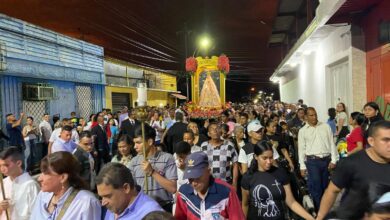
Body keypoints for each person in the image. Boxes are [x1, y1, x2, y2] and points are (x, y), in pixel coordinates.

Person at [317, 120, 390, 220]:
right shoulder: (352, 163)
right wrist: (320, 217)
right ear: (371, 141)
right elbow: (332, 191)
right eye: (385, 140)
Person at [241, 141, 314, 220]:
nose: (268, 162)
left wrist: (310, 217)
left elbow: (291, 202)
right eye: (264, 158)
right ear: (256, 156)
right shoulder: (248, 177)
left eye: (271, 157)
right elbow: (245, 204)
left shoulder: (280, 173)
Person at [30, 151, 101, 219]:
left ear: (63, 177)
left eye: (46, 173)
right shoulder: (42, 195)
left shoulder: (86, 202)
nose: (39, 178)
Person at [175, 151, 245, 220]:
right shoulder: (183, 192)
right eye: (190, 178)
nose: (194, 183)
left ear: (208, 171)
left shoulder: (227, 191)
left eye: (197, 177)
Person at [129, 124, 177, 212]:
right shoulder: (134, 162)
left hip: (163, 209)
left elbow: (173, 188)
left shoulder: (167, 158)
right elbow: (131, 189)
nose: (135, 146)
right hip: (142, 209)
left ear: (150, 142)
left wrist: (152, 172)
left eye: (138, 143)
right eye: (134, 143)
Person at [298, 107, 338, 211]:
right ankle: (320, 212)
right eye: (311, 115)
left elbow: (331, 143)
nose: (314, 117)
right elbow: (301, 150)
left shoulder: (326, 126)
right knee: (316, 188)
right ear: (306, 117)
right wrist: (302, 166)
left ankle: (326, 210)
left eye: (315, 114)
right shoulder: (302, 131)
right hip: (312, 162)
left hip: (326, 161)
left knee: (326, 188)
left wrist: (334, 160)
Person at [97, 163, 163, 220]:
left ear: (126, 188)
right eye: (102, 197)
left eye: (107, 196)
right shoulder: (115, 206)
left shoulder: (151, 213)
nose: (103, 203)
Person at [0, 147, 40, 220]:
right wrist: (1, 207)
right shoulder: (2, 183)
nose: (2, 169)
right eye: (0, 165)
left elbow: (36, 214)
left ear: (18, 163)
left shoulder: (30, 185)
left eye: (6, 165)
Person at [201, 122, 239, 191]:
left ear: (221, 131)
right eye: (212, 129)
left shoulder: (229, 145)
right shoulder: (204, 146)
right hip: (209, 184)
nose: (215, 130)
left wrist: (234, 183)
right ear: (208, 133)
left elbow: (235, 164)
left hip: (226, 183)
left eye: (217, 128)